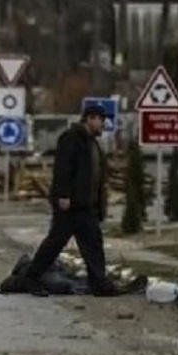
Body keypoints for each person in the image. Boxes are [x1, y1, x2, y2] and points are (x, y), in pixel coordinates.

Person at [19, 103, 119, 297]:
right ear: (90, 118)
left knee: (93, 244)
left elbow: (95, 177)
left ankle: (99, 283)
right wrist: (63, 195)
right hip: (70, 205)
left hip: (86, 206)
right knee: (55, 243)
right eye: (101, 121)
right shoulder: (72, 138)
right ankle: (30, 278)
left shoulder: (92, 143)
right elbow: (63, 169)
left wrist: (99, 205)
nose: (102, 125)